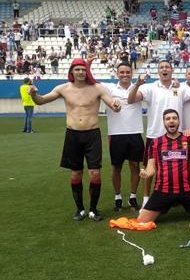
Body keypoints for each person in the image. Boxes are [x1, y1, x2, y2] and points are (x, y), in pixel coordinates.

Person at [29, 58, 121, 221]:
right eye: (77, 69)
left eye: (83, 69)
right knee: (76, 174)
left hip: (92, 134)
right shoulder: (63, 88)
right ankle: (80, 209)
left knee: (95, 173)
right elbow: (41, 101)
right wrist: (34, 94)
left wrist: (116, 105)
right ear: (71, 71)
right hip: (73, 135)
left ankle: (93, 209)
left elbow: (112, 103)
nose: (80, 72)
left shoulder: (96, 88)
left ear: (87, 71)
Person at [128, 60, 190, 208]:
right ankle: (146, 199)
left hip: (177, 136)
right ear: (158, 71)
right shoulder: (150, 87)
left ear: (172, 71)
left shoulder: (181, 88)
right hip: (154, 135)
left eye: (167, 67)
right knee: (149, 169)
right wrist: (137, 85)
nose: (164, 70)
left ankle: (184, 197)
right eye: (161, 68)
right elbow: (131, 99)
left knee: (180, 167)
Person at [137, 109, 190, 223]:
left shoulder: (189, 138)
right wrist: (147, 173)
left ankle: (189, 206)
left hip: (188, 189)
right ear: (164, 122)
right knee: (142, 221)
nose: (171, 121)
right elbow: (151, 167)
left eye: (174, 118)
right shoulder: (156, 142)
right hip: (163, 189)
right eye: (168, 119)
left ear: (178, 121)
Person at [100, 63, 144, 211]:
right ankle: (117, 197)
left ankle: (132, 197)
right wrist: (89, 64)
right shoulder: (109, 88)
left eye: (127, 72)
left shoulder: (139, 87)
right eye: (122, 72)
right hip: (116, 133)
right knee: (116, 167)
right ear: (117, 74)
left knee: (134, 166)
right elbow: (91, 81)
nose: (125, 74)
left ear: (132, 73)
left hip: (135, 132)